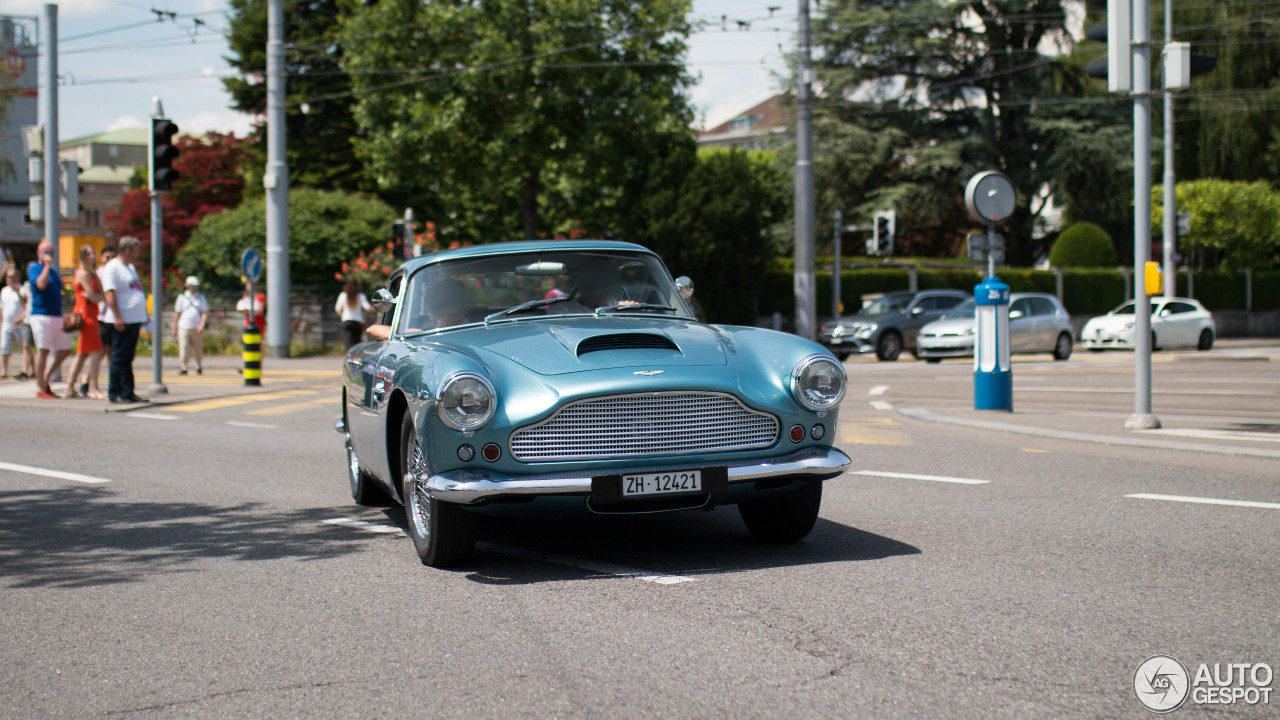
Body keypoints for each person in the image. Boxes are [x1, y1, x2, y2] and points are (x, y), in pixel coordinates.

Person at [101, 236, 148, 404]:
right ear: (127, 250)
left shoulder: (130, 268)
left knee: (128, 357)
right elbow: (109, 293)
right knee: (119, 357)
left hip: (133, 320)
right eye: (136, 251)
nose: (138, 254)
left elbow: (134, 291)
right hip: (121, 321)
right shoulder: (113, 267)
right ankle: (115, 392)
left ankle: (128, 392)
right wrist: (118, 316)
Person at [27, 241, 72, 399]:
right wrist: (46, 266)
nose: (49, 255)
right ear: (39, 253)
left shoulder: (53, 270)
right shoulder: (34, 268)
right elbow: (40, 284)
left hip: (56, 314)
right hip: (41, 315)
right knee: (43, 350)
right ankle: (41, 386)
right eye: (46, 252)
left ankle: (45, 379)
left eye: (51, 252)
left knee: (65, 349)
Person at [63, 245, 106, 399]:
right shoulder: (82, 274)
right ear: (83, 256)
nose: (93, 256)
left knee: (82, 354)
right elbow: (94, 297)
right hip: (86, 316)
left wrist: (97, 296)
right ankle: (93, 388)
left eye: (93, 253)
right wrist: (97, 296)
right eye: (90, 254)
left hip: (93, 314)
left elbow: (101, 294)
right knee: (96, 352)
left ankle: (69, 388)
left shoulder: (93, 274)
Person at [172, 275, 208, 375]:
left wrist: (202, 324)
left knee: (198, 348)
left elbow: (205, 312)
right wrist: (174, 327)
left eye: (196, 286)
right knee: (184, 347)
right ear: (188, 286)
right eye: (193, 286)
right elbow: (177, 313)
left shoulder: (201, 298)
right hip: (183, 326)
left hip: (196, 327)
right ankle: (184, 367)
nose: (195, 288)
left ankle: (198, 366)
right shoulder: (182, 297)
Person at [1, 265, 27, 379]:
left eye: (11, 277)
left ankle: (26, 370)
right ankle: (4, 371)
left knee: (25, 349)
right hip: (7, 324)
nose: (9, 279)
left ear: (17, 277)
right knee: (4, 348)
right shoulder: (4, 291)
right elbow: (1, 308)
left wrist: (18, 292)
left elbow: (27, 305)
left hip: (20, 324)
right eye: (7, 277)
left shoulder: (23, 290)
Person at [335, 278, 373, 350]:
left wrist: (343, 315)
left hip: (346, 321)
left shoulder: (343, 295)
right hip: (357, 322)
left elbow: (337, 309)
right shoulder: (360, 296)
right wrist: (377, 309)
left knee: (348, 342)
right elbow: (367, 308)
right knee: (356, 343)